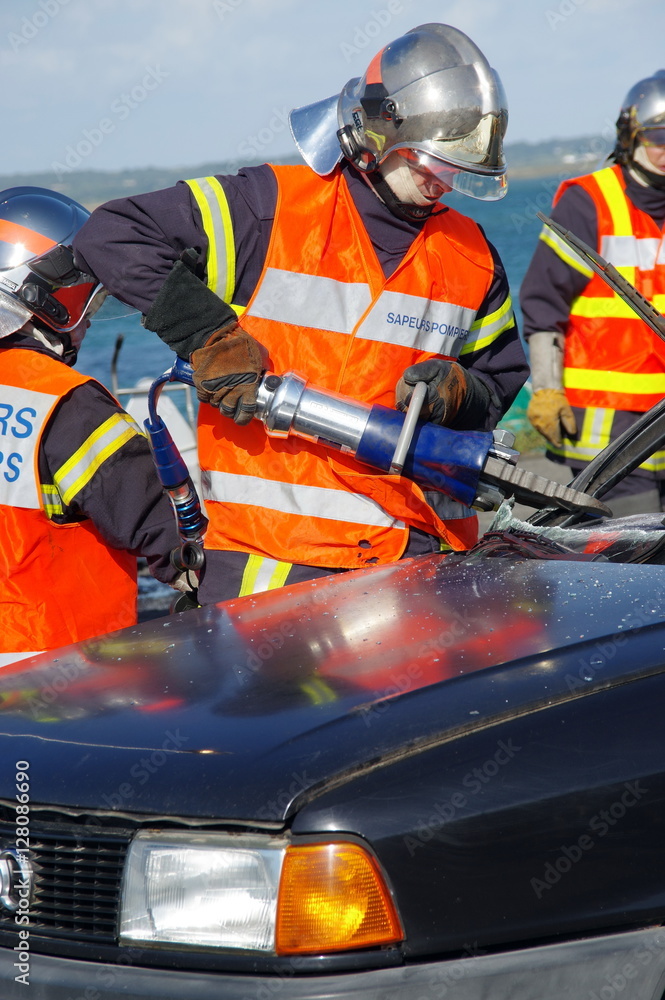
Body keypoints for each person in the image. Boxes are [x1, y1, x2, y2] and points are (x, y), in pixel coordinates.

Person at [73, 22, 528, 605]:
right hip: (274, 568)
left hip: (418, 562)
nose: (443, 180)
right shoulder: (268, 210)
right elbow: (115, 233)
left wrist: (460, 392)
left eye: (455, 167)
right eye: (429, 159)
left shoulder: (474, 255)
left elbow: (497, 380)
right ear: (380, 130)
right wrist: (208, 337)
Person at [0, 186, 188, 666]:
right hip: (64, 675)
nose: (85, 324)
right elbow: (162, 525)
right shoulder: (64, 402)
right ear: (41, 297)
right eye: (82, 297)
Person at [520, 70, 665, 513]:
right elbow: (543, 304)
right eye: (658, 135)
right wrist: (546, 389)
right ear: (631, 135)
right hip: (608, 426)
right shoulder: (588, 203)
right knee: (630, 556)